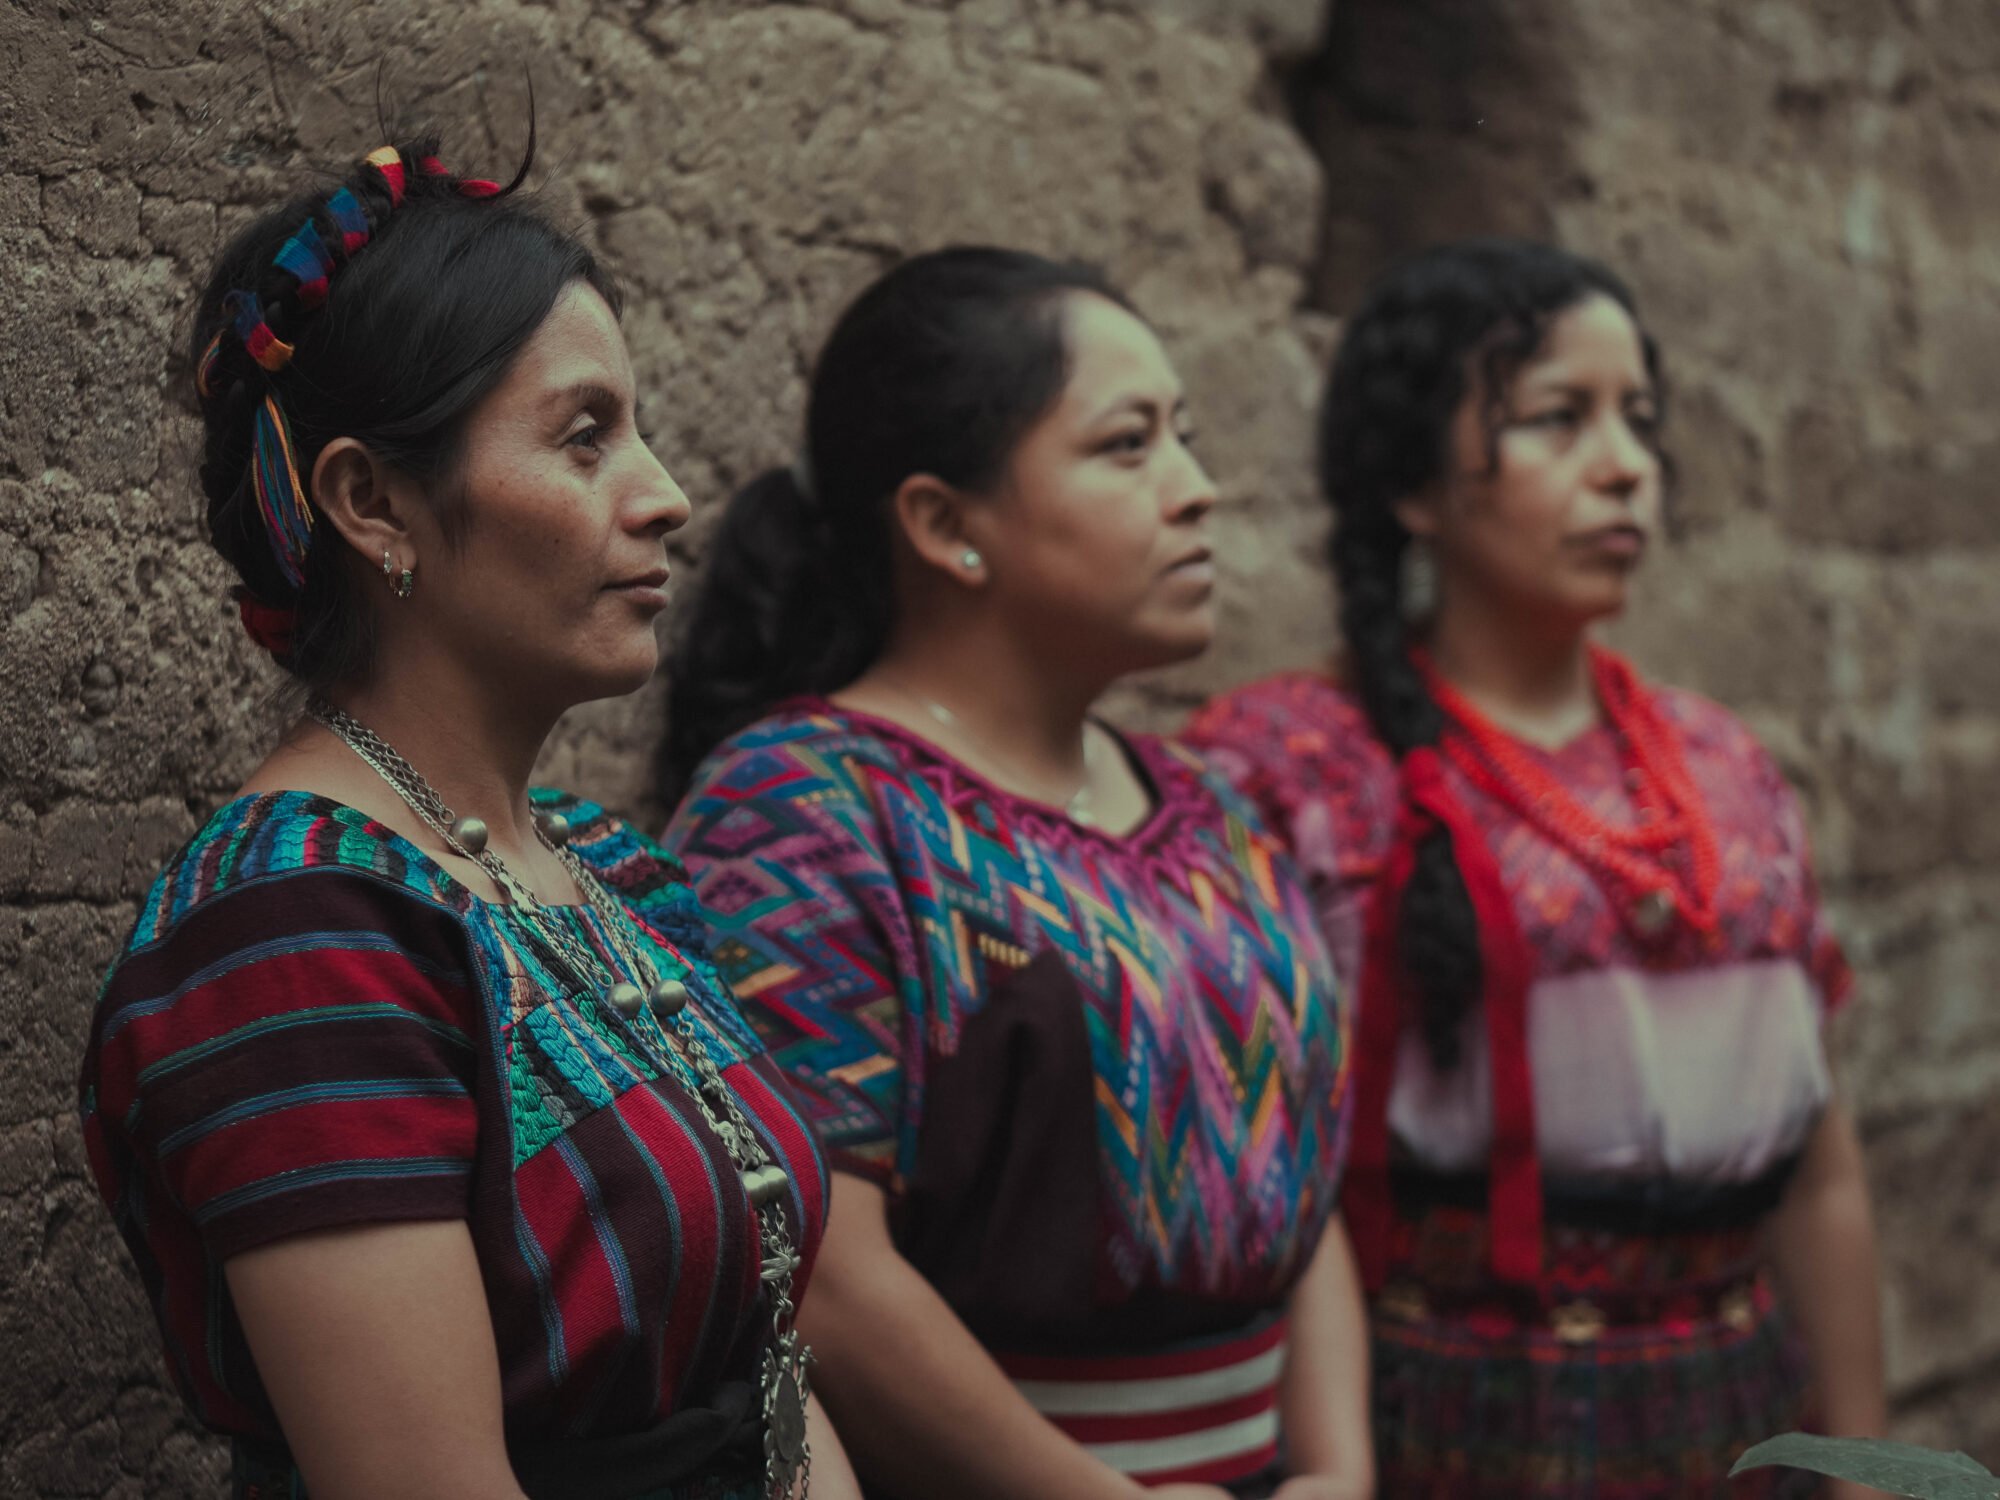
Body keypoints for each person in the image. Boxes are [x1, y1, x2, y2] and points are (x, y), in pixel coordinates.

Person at [76, 128, 859, 1500]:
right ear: (373, 503)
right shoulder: (291, 932)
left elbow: (769, 1372)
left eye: (642, 427)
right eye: (583, 437)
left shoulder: (609, 874)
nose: (665, 494)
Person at [658, 248, 1369, 1500]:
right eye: (1126, 446)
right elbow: (817, 1261)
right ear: (942, 523)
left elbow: (1296, 1181)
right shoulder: (801, 810)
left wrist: (1336, 1472)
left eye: (1186, 438)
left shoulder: (1215, 810)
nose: (1195, 491)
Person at [1187, 238, 1885, 1498]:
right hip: (1443, 1409)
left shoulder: (1725, 766)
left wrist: (1864, 1460)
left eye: (1637, 420)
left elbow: (1817, 1156)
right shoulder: (1291, 769)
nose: (1624, 466)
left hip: (1738, 1402)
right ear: (1411, 485)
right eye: (1556, 420)